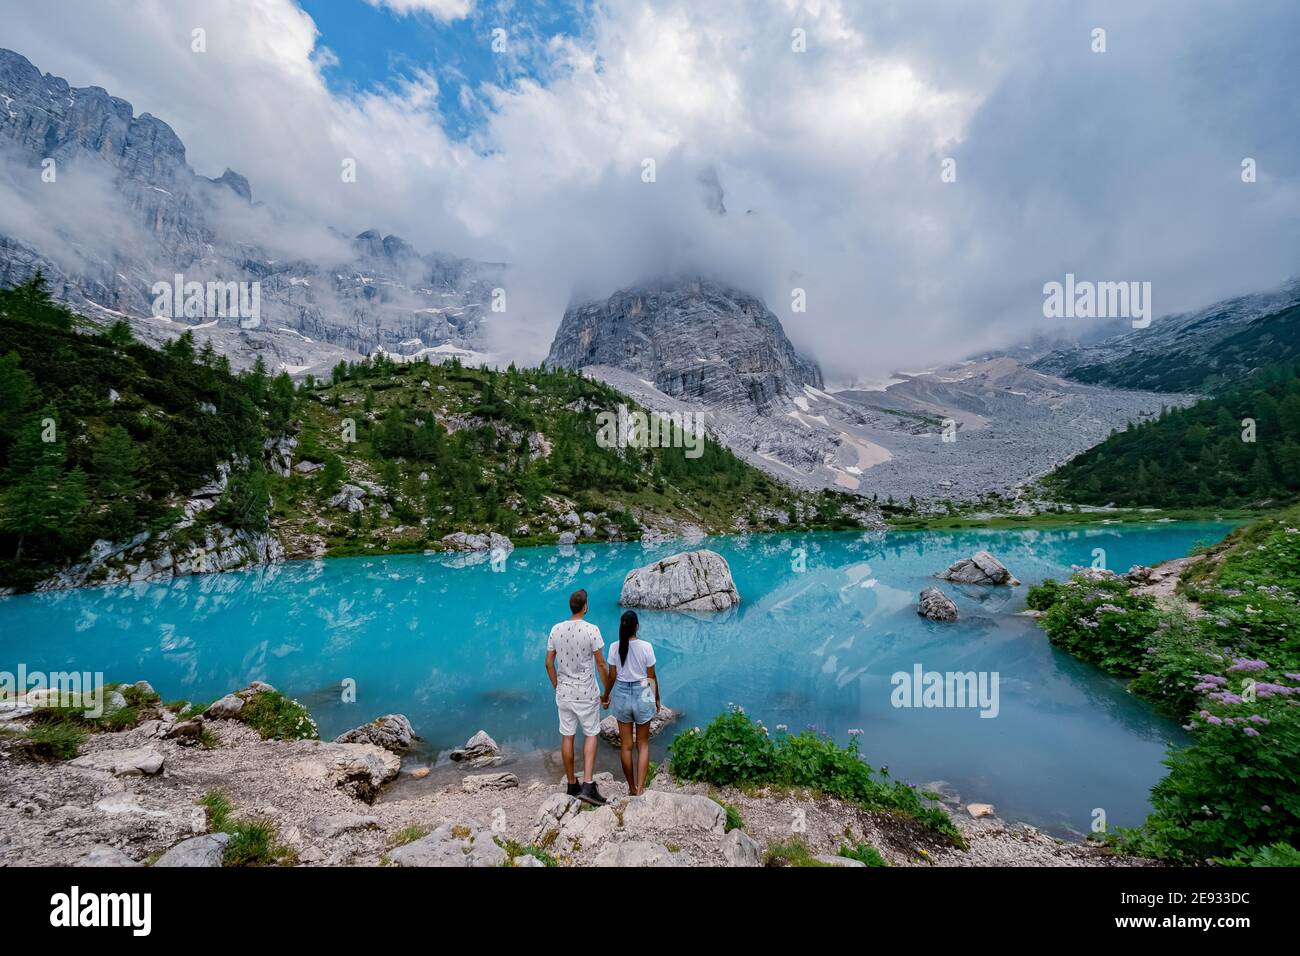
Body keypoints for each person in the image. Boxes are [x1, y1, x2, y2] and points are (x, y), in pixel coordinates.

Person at [545, 588, 608, 805]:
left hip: (564, 692)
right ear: (585, 606)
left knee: (567, 735)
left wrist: (556, 685)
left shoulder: (556, 629)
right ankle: (588, 785)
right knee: (591, 733)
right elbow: (601, 663)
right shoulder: (592, 630)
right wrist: (607, 689)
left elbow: (548, 663)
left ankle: (572, 784)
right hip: (586, 693)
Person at [601, 610, 659, 796]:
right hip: (643, 692)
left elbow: (612, 676)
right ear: (637, 626)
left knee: (626, 746)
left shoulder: (613, 648)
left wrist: (606, 695)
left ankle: (631, 787)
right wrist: (656, 697)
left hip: (622, 694)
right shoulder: (646, 647)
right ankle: (641, 789)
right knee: (643, 744)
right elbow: (651, 677)